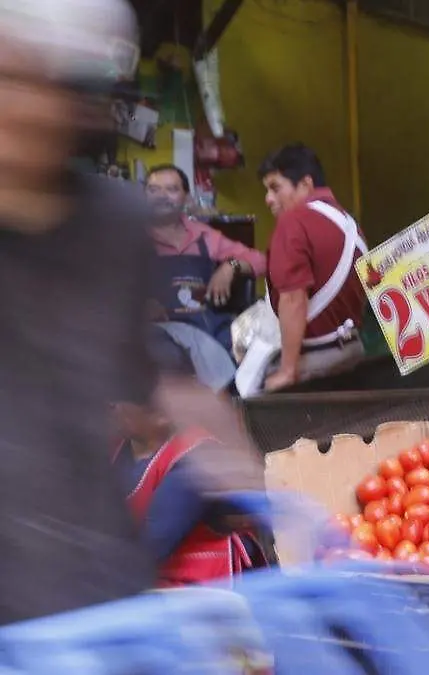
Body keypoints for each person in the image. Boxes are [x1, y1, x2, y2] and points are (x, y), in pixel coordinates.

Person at [0, 0, 264, 624]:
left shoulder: (115, 226)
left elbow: (144, 379)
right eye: (11, 79)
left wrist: (241, 465)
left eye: (47, 84)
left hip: (91, 590)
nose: (25, 106)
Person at [235, 143, 369, 396]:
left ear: (306, 184)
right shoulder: (348, 222)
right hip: (351, 351)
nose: (268, 199)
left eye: (275, 188)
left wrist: (287, 370)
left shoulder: (293, 222)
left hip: (313, 361)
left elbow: (293, 298)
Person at [111, 402, 268, 586]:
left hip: (199, 588)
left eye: (122, 400)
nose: (112, 406)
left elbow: (148, 550)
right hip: (146, 584)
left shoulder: (194, 460)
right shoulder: (114, 447)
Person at [144, 164, 266, 391]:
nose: (162, 196)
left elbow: (260, 261)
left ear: (186, 197)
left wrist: (230, 266)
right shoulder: (133, 237)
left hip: (209, 329)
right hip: (159, 334)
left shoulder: (204, 236)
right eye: (154, 190)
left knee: (252, 359)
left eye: (171, 189)